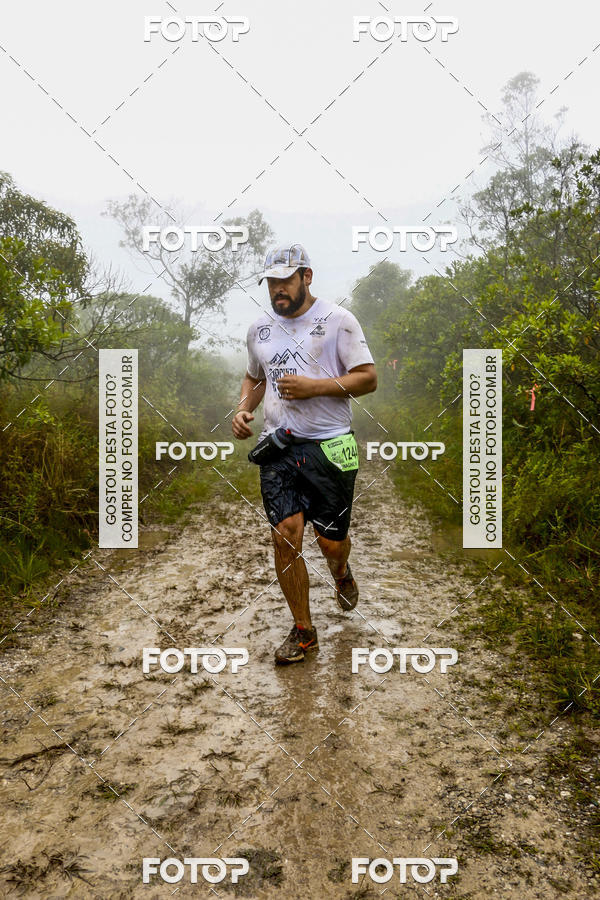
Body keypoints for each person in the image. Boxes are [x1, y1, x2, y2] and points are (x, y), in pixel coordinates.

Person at [231, 243, 377, 664]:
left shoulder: (339, 322)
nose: (277, 289)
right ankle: (303, 632)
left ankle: (341, 571)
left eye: (285, 281)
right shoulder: (259, 328)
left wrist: (316, 387)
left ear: (306, 277)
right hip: (279, 447)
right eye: (271, 282)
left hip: (331, 446)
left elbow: (367, 379)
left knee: (331, 544)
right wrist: (244, 409)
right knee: (285, 536)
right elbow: (254, 377)